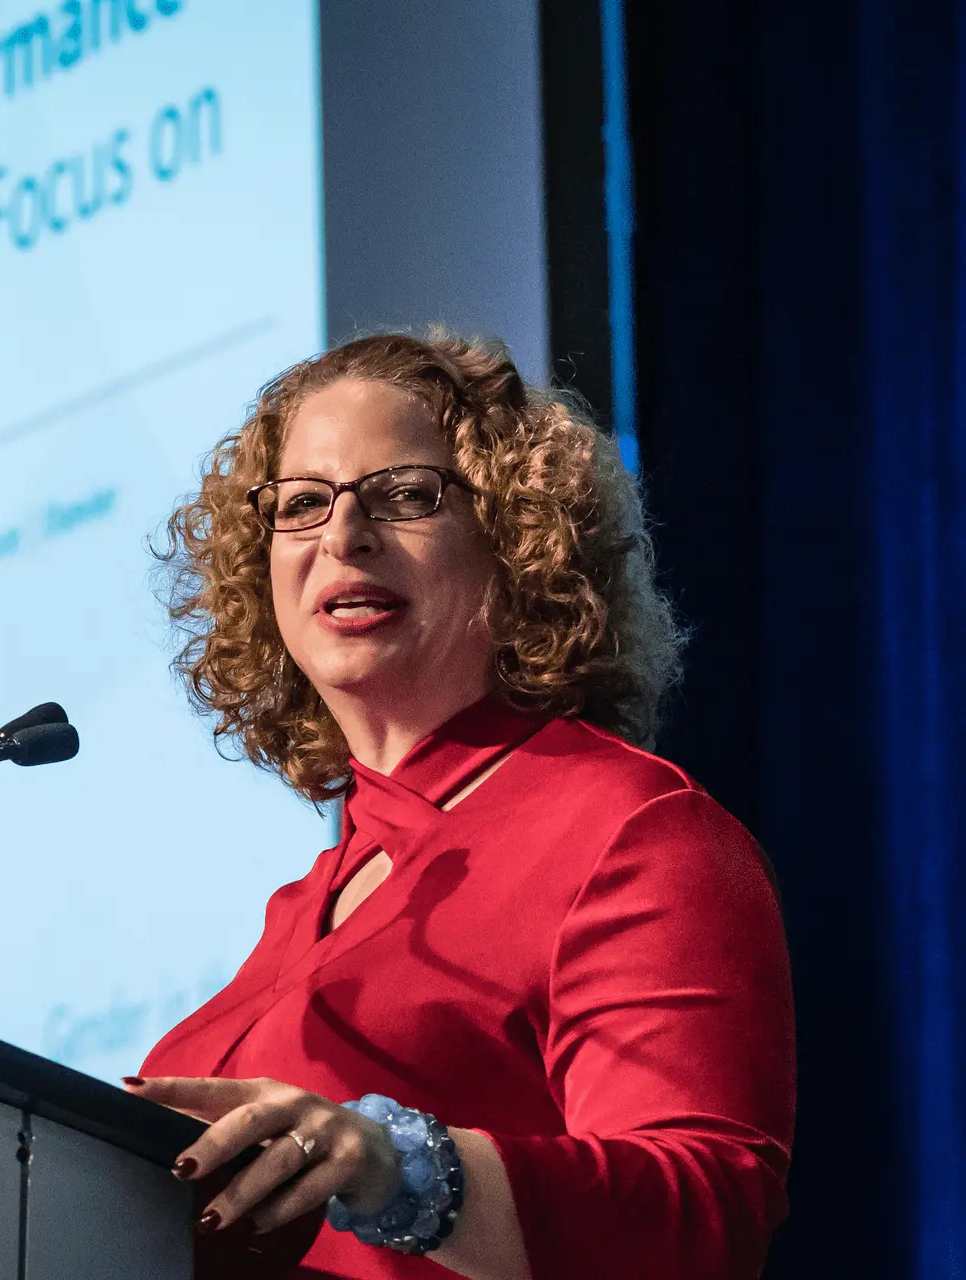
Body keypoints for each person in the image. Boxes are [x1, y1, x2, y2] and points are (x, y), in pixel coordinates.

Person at [126, 333, 794, 1280]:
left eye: (405, 495)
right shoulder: (305, 904)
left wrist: (401, 1170)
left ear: (520, 540)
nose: (342, 537)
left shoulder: (629, 830)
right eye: (303, 503)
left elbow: (706, 1217)